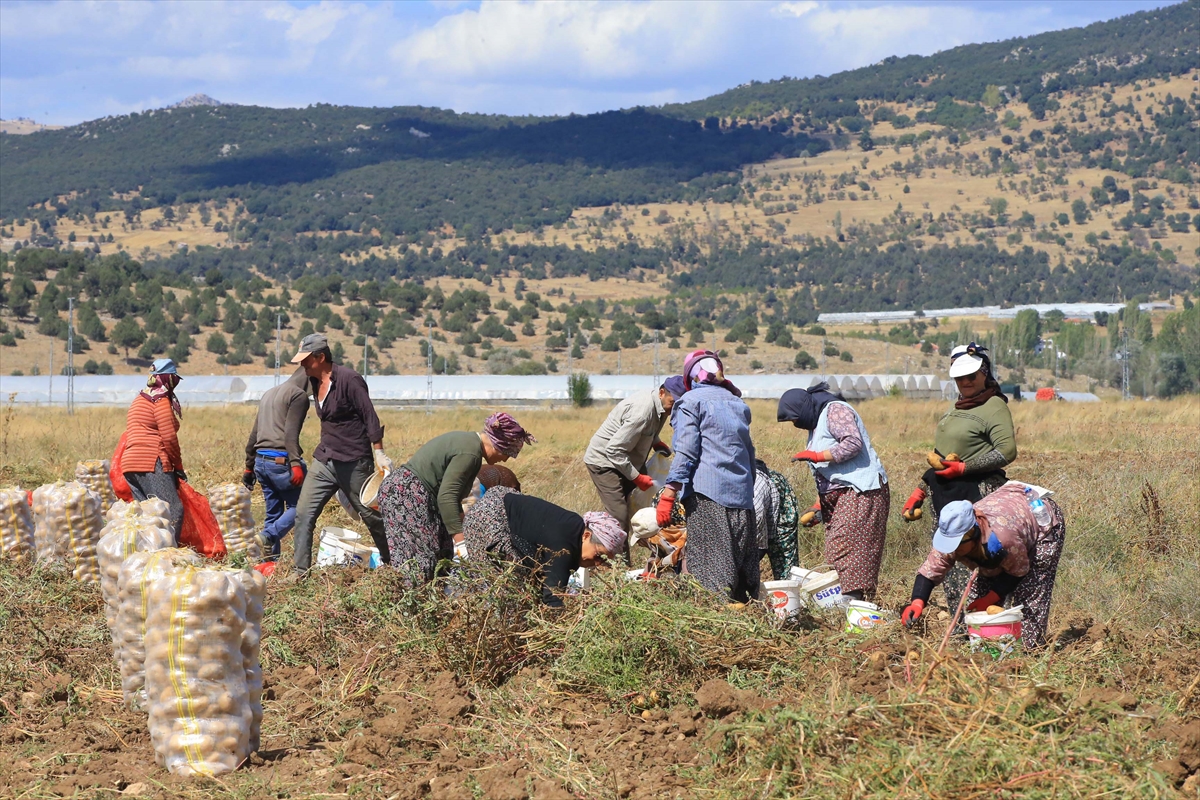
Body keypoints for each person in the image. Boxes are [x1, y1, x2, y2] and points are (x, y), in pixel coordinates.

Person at [901, 342, 1017, 615]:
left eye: (971, 376)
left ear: (984, 373)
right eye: (959, 378)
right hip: (946, 496)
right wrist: (920, 491)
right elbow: (940, 458)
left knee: (977, 565)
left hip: (977, 495)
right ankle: (960, 624)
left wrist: (965, 468)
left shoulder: (993, 406)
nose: (965, 382)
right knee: (949, 561)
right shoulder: (957, 409)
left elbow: (1007, 451)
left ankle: (983, 625)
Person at [901, 484, 1066, 649]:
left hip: (1039, 518)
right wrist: (917, 602)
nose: (952, 550)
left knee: (1029, 595)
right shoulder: (953, 535)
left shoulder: (1004, 538)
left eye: (957, 544)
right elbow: (929, 571)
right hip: (1007, 512)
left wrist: (990, 598)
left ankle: (1029, 651)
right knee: (977, 611)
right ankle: (987, 652)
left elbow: (1018, 571)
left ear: (973, 534)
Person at [378, 412, 534, 585]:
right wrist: (462, 544)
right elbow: (447, 498)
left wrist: (465, 532)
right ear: (498, 445)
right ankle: (409, 598)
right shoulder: (470, 454)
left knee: (443, 552)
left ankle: (437, 596)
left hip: (414, 495)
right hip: (405, 495)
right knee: (421, 562)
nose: (505, 460)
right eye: (507, 454)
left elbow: (453, 499)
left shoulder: (471, 447)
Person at [658, 350, 758, 603]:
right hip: (742, 497)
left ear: (691, 376)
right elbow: (749, 452)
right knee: (738, 568)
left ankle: (718, 620)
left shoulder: (690, 402)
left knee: (712, 573)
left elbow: (686, 450)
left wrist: (669, 492)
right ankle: (745, 617)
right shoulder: (737, 403)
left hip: (708, 497)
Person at [289, 334, 394, 574]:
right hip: (325, 459)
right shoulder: (313, 380)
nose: (302, 364)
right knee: (303, 514)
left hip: (353, 461)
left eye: (306, 359)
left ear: (320, 357)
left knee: (371, 516)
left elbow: (369, 415)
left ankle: (394, 564)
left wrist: (379, 452)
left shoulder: (350, 380)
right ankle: (299, 572)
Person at [777, 382, 890, 601]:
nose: (795, 424)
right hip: (844, 495)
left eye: (794, 419)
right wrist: (819, 506)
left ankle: (853, 604)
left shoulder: (835, 410)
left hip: (861, 491)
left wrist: (817, 456)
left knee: (847, 550)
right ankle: (849, 603)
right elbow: (830, 475)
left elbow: (853, 443)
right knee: (838, 551)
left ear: (804, 408)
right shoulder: (816, 424)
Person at [462, 487, 625, 607]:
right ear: (587, 536)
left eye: (603, 560)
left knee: (529, 587)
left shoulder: (574, 531)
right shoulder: (566, 542)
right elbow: (553, 595)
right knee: (507, 594)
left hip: (500, 504)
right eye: (599, 555)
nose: (597, 563)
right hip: (488, 520)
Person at [584, 377, 681, 532]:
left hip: (627, 458)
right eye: (673, 402)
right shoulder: (642, 412)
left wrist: (656, 442)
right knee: (619, 516)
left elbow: (645, 430)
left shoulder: (662, 406)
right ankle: (608, 547)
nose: (675, 408)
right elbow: (613, 450)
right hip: (605, 461)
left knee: (641, 505)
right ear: (662, 393)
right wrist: (637, 477)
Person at [242, 367, 311, 567]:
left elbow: (254, 434)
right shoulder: (298, 395)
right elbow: (290, 434)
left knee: (273, 514)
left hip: (261, 462)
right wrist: (296, 463)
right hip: (281, 463)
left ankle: (269, 564)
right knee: (303, 506)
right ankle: (268, 536)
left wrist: (249, 467)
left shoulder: (269, 393)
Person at [121, 358, 186, 539]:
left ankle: (146, 551)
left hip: (130, 463)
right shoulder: (160, 400)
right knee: (172, 510)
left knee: (146, 515)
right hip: (150, 461)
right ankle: (169, 551)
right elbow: (169, 437)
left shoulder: (141, 398)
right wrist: (178, 466)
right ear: (168, 378)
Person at [753, 459, 801, 581]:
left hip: (777, 499)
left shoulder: (758, 485)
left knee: (784, 560)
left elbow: (757, 514)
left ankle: (788, 590)